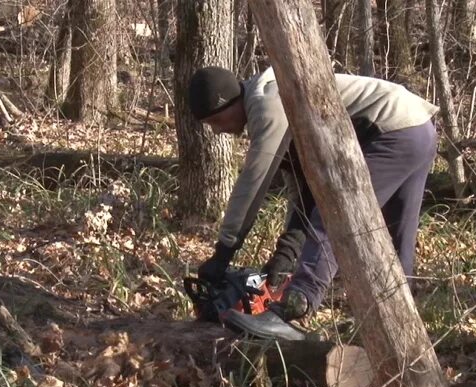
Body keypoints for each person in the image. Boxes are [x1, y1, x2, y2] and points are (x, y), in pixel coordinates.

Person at [187, 66, 439, 340]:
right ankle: (401, 330)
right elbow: (304, 193)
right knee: (396, 236)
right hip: (417, 129)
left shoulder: (266, 103)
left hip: (390, 131)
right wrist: (285, 256)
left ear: (231, 101)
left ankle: (295, 305)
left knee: (335, 214)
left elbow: (253, 184)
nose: (217, 130)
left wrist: (223, 253)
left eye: (217, 120)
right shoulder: (274, 104)